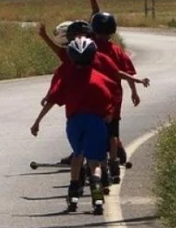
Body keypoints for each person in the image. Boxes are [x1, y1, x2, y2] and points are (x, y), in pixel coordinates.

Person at [30, 37, 114, 215]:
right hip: (96, 123)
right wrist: (107, 117)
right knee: (95, 162)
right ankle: (97, 195)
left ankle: (74, 191)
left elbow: (52, 100)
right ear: (93, 56)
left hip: (75, 123)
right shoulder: (101, 80)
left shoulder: (68, 79)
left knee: (78, 155)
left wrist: (37, 121)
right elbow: (109, 106)